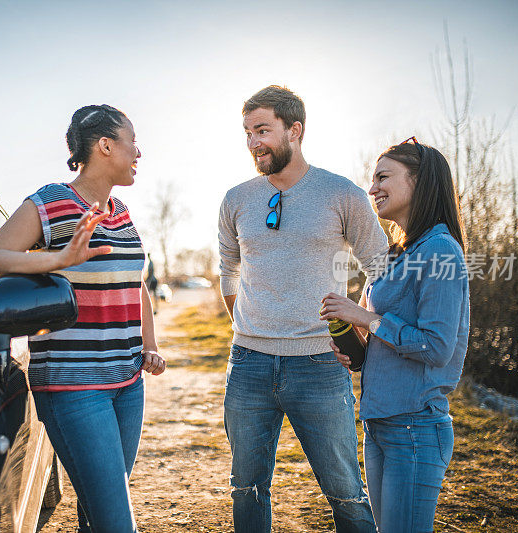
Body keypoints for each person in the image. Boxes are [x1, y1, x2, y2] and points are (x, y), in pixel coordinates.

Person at [0, 104, 166, 533]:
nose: (139, 152)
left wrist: (148, 345)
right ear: (104, 146)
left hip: (127, 384)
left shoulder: (121, 212)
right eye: (132, 141)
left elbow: (135, 285)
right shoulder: (50, 202)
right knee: (116, 522)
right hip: (74, 387)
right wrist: (58, 258)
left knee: (97, 513)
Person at [218, 85, 386, 532]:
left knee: (346, 492)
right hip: (248, 364)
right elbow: (228, 269)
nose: (254, 142)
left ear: (295, 130)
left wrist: (361, 321)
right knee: (246, 489)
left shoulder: (342, 193)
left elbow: (380, 264)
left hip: (320, 364)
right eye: (248, 132)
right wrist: (247, 324)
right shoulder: (236, 199)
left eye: (263, 130)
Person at [321, 138, 469, 533]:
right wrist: (357, 344)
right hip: (379, 424)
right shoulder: (398, 253)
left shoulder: (440, 252)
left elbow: (437, 348)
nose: (372, 189)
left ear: (419, 182)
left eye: (383, 177)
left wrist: (367, 319)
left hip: (415, 428)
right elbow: (391, 336)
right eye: (372, 179)